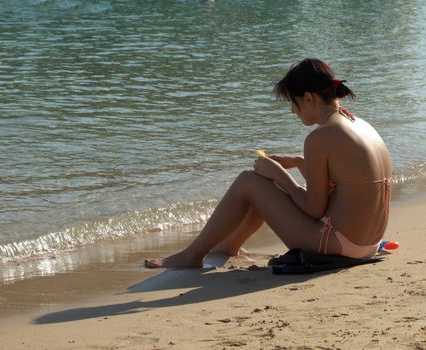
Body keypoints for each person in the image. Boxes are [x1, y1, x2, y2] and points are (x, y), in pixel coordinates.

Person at [145, 58, 391, 268]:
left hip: (337, 244)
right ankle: (229, 246)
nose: (292, 112)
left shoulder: (319, 137)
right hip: (366, 243)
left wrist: (280, 175)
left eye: (292, 104)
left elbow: (315, 209)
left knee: (248, 181)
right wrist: (297, 162)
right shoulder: (359, 124)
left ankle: (191, 256)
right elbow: (344, 184)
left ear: (308, 98)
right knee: (264, 182)